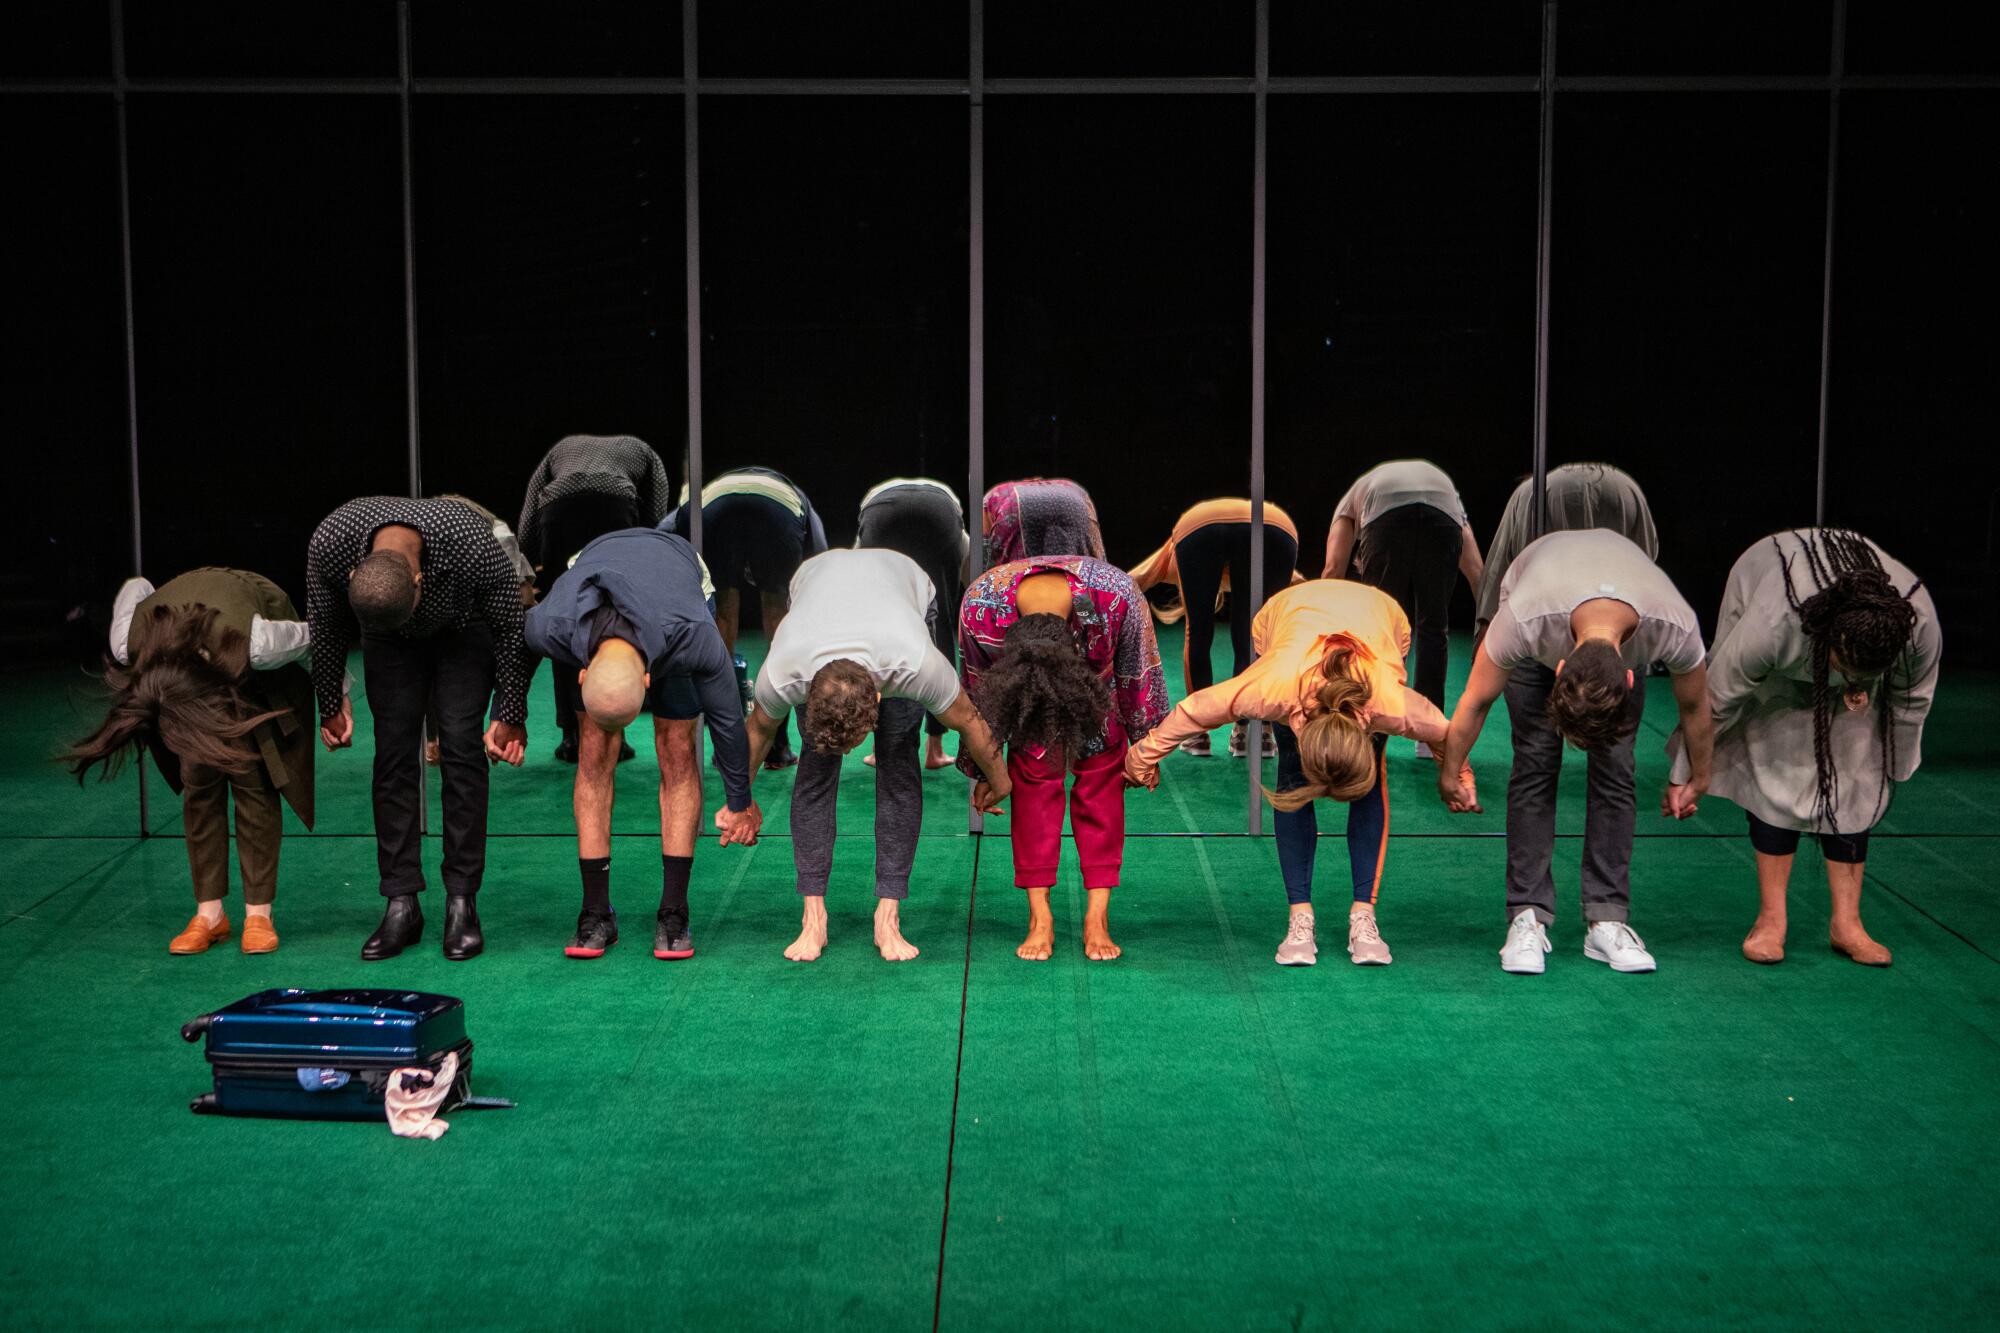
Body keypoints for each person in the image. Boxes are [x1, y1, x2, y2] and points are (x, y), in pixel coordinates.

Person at [1125, 580, 1474, 968]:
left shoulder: (1387, 704)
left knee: (1370, 784)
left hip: (1381, 615)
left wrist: (1459, 777)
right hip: (1286, 615)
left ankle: (1364, 915)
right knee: (1293, 774)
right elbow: (1194, 710)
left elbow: (1447, 734)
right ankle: (1299, 916)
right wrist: (1141, 758)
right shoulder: (1273, 689)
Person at [1436, 529, 1713, 975]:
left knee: (1617, 768)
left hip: (1608, 606)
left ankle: (1608, 919)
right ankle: (1526, 916)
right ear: (1558, 667)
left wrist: (1697, 776)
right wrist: (1451, 771)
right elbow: (1475, 699)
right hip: (1540, 597)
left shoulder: (1673, 626)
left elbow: (1697, 705)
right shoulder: (1525, 620)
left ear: (1630, 679)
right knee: (1535, 761)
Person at [1669, 529, 1937, 967]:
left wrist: (1893, 768)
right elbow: (1715, 701)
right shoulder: (1775, 625)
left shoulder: (1918, 626)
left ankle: (1847, 924)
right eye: (1845, 668)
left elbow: (1913, 700)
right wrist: (1689, 774)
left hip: (1837, 642)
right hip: (1775, 607)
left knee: (1858, 780)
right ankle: (1771, 920)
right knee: (1775, 768)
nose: (1851, 681)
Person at [739, 549, 1012, 963]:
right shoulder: (784, 673)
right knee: (815, 766)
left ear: (880, 698)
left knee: (898, 756)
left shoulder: (916, 666)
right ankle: (813, 918)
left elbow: (970, 720)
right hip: (815, 585)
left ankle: (889, 915)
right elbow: (758, 731)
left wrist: (1000, 779)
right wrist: (739, 801)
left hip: (904, 582)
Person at [306, 496, 535, 962]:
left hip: (463, 630)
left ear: (418, 580)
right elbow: (326, 625)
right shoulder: (331, 542)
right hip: (386, 638)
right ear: (354, 575)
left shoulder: (472, 543)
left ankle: (461, 901)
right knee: (392, 753)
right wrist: (330, 700)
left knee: (459, 746)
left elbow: (511, 626)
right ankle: (401, 901)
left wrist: (510, 711)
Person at [524, 526, 764, 960]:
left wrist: (739, 799)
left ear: (650, 680)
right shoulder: (549, 626)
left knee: (676, 744)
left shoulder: (694, 637)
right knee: (594, 750)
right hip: (592, 565)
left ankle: (674, 911)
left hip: (677, 571)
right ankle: (596, 911)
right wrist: (510, 718)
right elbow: (513, 646)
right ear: (582, 674)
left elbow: (728, 721)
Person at [67, 568, 322, 955]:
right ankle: (209, 914)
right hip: (181, 678)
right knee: (198, 783)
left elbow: (312, 639)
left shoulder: (258, 642)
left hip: (241, 669)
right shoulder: (128, 642)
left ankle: (259, 914)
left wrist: (339, 697)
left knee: (253, 782)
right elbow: (136, 585)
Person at [959, 555, 1169, 961]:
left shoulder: (1118, 597)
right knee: (1033, 782)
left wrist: (1145, 746)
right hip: (1023, 698)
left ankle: (1098, 918)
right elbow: (977, 696)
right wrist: (984, 767)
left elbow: (1137, 673)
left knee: (1103, 781)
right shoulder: (980, 608)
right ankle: (1040, 918)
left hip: (1093, 688)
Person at [517, 435, 674, 762]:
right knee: (618, 615)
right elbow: (658, 499)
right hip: (614, 508)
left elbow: (533, 499)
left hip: (558, 511)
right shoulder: (640, 447)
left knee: (565, 616)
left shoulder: (562, 446)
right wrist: (648, 542)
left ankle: (571, 736)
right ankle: (617, 732)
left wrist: (527, 559)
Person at [665, 466, 830, 771]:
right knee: (779, 623)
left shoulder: (709, 489)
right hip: (776, 510)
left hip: (711, 509)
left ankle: (726, 748)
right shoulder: (798, 497)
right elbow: (820, 554)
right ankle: (776, 746)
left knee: (723, 618)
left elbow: (669, 527)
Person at [1322, 460, 1484, 739]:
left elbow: (1333, 569)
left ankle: (1375, 723)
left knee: (1381, 629)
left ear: (1362, 559)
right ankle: (1429, 730)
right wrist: (1488, 623)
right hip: (1442, 514)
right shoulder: (1453, 505)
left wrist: (1323, 632)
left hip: (1385, 516)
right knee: (1434, 626)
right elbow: (1478, 573)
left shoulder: (1347, 506)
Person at [1128, 497, 1301, 757]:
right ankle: (1256, 733)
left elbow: (1136, 578)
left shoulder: (1172, 557)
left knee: (1198, 632)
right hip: (1276, 527)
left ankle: (1198, 733)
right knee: (1256, 636)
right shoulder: (1180, 559)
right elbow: (1300, 583)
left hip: (1201, 525)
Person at [856, 477, 970, 771]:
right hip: (940, 513)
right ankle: (935, 749)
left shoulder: (877, 495)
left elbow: (856, 565)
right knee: (941, 625)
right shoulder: (944, 497)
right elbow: (969, 571)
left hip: (881, 514)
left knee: (880, 632)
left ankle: (880, 748)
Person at [1475, 462, 1658, 634]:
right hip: (1622, 488)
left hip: (1541, 493)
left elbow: (1496, 573)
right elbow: (1645, 563)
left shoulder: (1528, 491)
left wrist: (1484, 639)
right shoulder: (1625, 486)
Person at [982, 477, 1104, 566]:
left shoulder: (995, 495)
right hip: (1073, 502)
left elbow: (983, 552)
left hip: (1009, 505)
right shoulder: (1074, 489)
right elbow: (1095, 550)